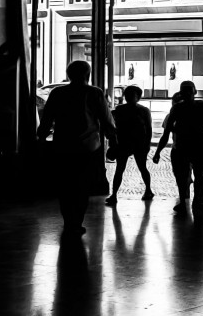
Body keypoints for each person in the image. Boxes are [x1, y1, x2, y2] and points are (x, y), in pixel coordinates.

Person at [36, 60, 116, 237]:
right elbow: (106, 119)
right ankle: (77, 222)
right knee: (83, 187)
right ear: (87, 74)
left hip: (63, 146)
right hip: (88, 148)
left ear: (69, 74)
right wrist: (113, 139)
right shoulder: (94, 93)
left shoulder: (58, 93)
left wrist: (41, 136)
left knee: (65, 186)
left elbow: (47, 118)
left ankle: (68, 221)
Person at [153, 81, 203, 213]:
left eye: (189, 90)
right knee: (185, 176)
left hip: (194, 147)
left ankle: (194, 200)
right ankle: (190, 200)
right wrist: (158, 151)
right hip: (186, 147)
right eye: (185, 90)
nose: (187, 93)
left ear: (194, 92)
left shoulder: (197, 107)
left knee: (195, 174)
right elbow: (166, 132)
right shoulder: (188, 107)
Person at [105, 85, 153, 206]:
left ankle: (114, 194)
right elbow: (148, 129)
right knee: (138, 168)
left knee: (122, 169)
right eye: (127, 95)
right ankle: (147, 190)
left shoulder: (120, 109)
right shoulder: (143, 110)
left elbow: (115, 126)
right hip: (134, 143)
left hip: (127, 143)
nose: (128, 98)